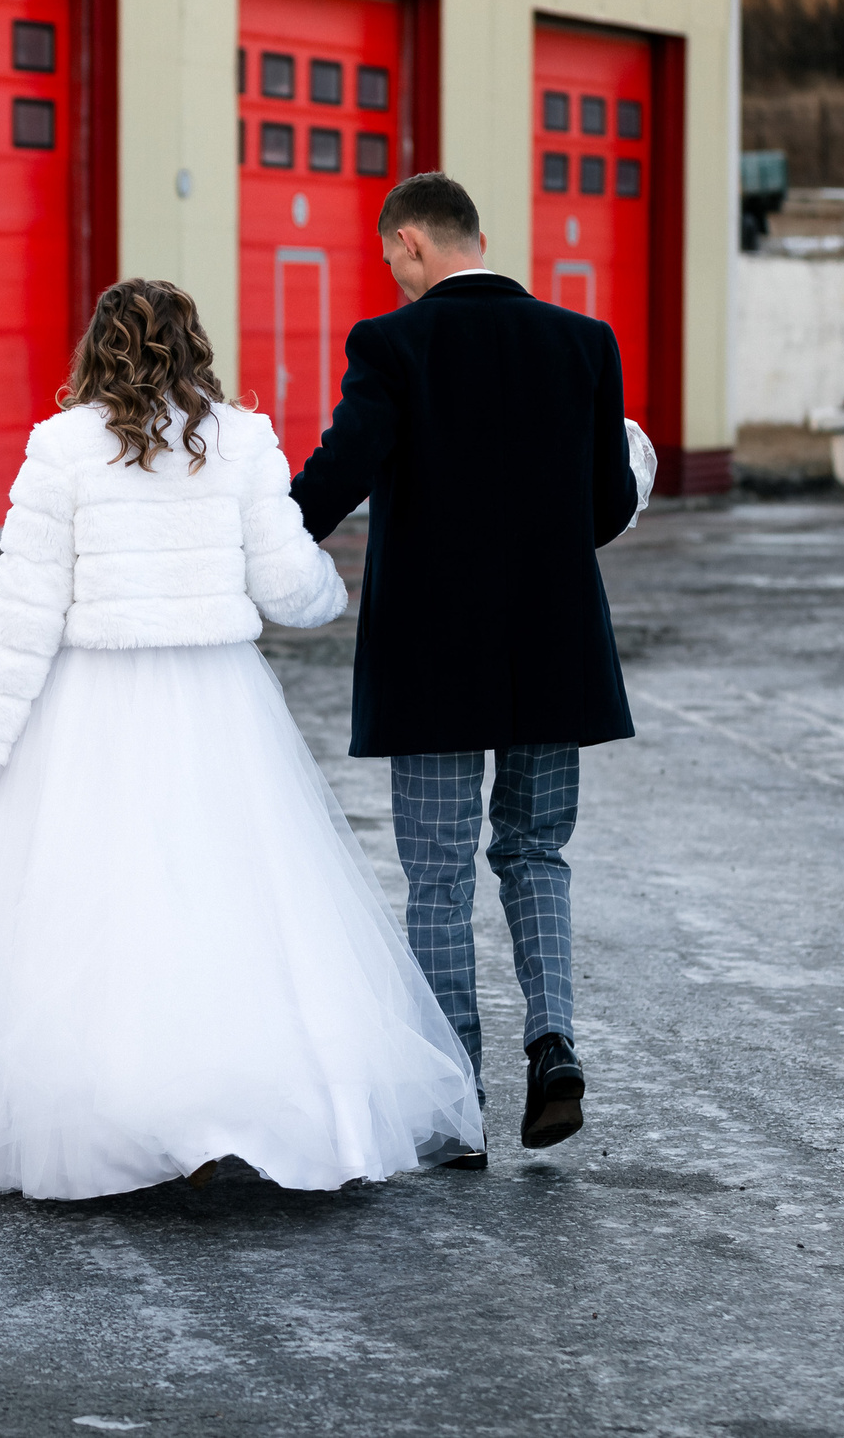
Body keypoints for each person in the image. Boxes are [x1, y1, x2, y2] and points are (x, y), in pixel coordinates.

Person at [0, 278, 485, 1201]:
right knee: (236, 904)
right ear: (194, 346)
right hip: (218, 703)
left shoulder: (61, 448)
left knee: (100, 910)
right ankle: (231, 1106)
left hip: (93, 709)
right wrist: (338, 591)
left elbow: (26, 606)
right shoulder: (241, 440)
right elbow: (290, 587)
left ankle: (120, 1120)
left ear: (97, 348)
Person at [290, 172, 648, 1160]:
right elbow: (604, 508)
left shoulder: (390, 345)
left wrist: (251, 536)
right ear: (477, 239)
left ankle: (454, 1105)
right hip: (554, 656)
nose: (391, 277)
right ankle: (553, 1042)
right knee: (536, 853)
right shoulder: (584, 342)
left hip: (431, 664)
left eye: (389, 259)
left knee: (438, 875)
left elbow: (335, 479)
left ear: (410, 243)